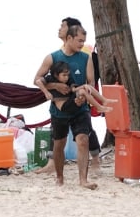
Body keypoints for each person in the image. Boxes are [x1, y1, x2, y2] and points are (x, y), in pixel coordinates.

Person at [32, 23, 97, 189]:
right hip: (59, 110)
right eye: (79, 41)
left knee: (83, 140)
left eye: (84, 41)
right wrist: (56, 86)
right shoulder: (52, 57)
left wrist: (84, 95)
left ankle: (83, 180)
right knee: (59, 144)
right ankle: (60, 178)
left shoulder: (86, 58)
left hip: (80, 108)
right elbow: (36, 80)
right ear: (69, 38)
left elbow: (91, 82)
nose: (82, 44)